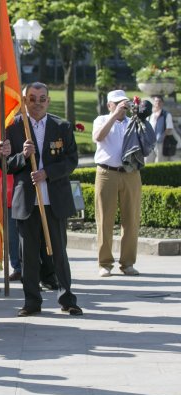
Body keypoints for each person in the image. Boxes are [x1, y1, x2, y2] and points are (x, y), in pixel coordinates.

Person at [4, 82, 83, 317]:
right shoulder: (13, 127)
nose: (36, 103)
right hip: (27, 201)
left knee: (58, 251)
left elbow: (71, 160)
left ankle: (67, 298)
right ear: (25, 100)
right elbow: (6, 165)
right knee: (28, 256)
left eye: (41, 98)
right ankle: (31, 302)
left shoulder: (62, 126)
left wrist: (47, 172)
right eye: (31, 98)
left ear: (48, 100)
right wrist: (22, 156)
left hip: (54, 200)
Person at [92, 90, 143, 277]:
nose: (122, 107)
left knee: (131, 219)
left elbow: (147, 142)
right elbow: (98, 136)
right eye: (118, 103)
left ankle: (128, 263)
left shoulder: (133, 122)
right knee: (105, 219)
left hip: (131, 173)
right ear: (109, 105)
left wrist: (140, 115)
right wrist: (114, 116)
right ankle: (104, 263)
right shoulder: (101, 119)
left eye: (124, 103)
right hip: (107, 172)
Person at [146, 95, 179, 163]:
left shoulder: (166, 114)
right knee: (147, 161)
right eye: (156, 101)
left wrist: (161, 138)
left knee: (159, 161)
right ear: (154, 103)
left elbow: (169, 128)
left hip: (160, 142)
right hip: (149, 142)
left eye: (159, 101)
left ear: (162, 103)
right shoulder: (150, 115)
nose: (157, 103)